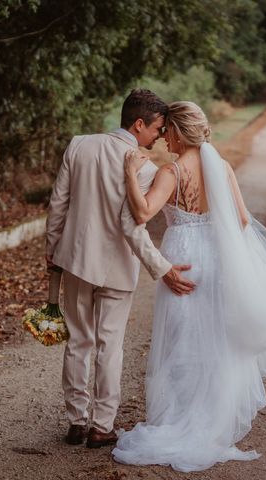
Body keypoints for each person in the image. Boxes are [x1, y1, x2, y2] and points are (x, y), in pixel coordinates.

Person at [112, 101, 266, 471]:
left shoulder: (172, 171)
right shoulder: (224, 168)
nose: (164, 135)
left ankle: (181, 418)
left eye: (168, 129)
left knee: (182, 338)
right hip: (215, 258)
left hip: (183, 256)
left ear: (180, 132)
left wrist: (128, 173)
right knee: (214, 337)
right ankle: (212, 419)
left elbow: (141, 213)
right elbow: (243, 220)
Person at [45, 90, 196, 449]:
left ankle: (76, 422)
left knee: (78, 341)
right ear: (139, 124)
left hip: (77, 261)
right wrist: (162, 268)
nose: (160, 136)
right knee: (109, 347)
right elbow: (133, 227)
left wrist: (52, 253)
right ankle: (102, 426)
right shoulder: (142, 167)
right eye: (158, 128)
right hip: (116, 268)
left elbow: (58, 206)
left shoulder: (79, 145)